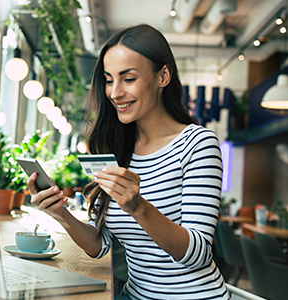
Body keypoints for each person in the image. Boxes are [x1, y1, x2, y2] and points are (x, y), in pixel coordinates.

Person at [27, 24, 227, 299]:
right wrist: (61, 214)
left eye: (128, 79)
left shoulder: (198, 144)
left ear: (163, 76)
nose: (115, 92)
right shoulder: (120, 149)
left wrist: (138, 206)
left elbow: (197, 254)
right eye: (109, 80)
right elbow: (100, 245)